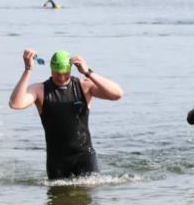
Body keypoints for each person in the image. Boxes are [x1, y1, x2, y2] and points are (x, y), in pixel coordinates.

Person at [8, 49, 124, 180]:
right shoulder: (40, 90)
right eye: (58, 74)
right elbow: (15, 104)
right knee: (58, 197)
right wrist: (28, 69)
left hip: (84, 156)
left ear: (70, 70)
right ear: (51, 70)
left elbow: (117, 94)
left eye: (66, 73)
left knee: (91, 191)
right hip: (57, 160)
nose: (62, 77)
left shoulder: (84, 86)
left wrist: (88, 72)